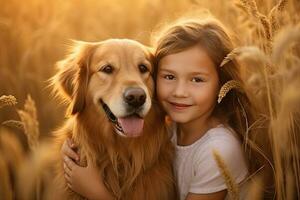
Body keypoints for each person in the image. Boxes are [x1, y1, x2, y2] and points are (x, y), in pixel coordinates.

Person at [62, 17, 262, 200]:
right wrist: (73, 147)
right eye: (169, 77)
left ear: (221, 83)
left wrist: (97, 193)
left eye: (143, 69)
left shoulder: (218, 150)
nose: (180, 92)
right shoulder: (172, 130)